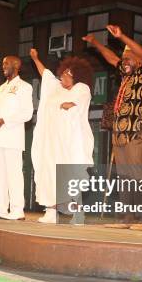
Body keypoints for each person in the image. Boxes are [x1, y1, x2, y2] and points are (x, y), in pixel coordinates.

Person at [82, 26, 142, 231]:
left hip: (136, 130)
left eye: (129, 57)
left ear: (139, 60)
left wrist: (122, 37)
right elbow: (111, 58)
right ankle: (127, 218)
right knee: (123, 175)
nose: (125, 61)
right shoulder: (125, 76)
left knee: (136, 173)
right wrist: (95, 43)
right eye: (124, 58)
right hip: (120, 132)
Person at [30, 48, 94, 224]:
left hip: (70, 143)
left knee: (70, 175)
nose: (64, 77)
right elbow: (46, 74)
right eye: (64, 73)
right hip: (51, 142)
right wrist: (35, 58)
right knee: (49, 173)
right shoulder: (55, 88)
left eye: (69, 74)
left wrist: (67, 104)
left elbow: (73, 104)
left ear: (77, 77)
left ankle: (78, 212)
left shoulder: (82, 88)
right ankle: (51, 212)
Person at [0, 56, 33, 220]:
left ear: (16, 65)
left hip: (13, 137)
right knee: (0, 173)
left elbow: (27, 113)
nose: (2, 66)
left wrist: (4, 121)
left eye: (6, 63)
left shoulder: (24, 87)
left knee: (14, 173)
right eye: (2, 63)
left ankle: (18, 210)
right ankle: (2, 207)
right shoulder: (1, 88)